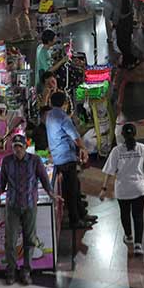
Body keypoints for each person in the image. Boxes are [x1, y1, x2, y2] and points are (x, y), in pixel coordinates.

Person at [0, 134, 61, 285]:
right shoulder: (7, 162)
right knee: (10, 241)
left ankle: (26, 271)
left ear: (25, 147)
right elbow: (2, 181)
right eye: (15, 147)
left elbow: (45, 179)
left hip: (30, 205)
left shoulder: (35, 160)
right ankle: (11, 270)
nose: (17, 150)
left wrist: (52, 194)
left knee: (30, 240)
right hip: (12, 205)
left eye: (20, 146)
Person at [99, 123, 144, 255]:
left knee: (125, 213)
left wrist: (104, 189)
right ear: (135, 134)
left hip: (122, 189)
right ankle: (138, 245)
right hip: (139, 188)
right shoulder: (142, 148)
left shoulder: (117, 151)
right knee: (138, 215)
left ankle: (128, 236)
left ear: (122, 135)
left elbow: (109, 172)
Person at [45, 91, 92, 229]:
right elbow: (75, 136)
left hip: (58, 156)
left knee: (75, 187)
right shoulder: (63, 117)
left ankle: (82, 214)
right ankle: (75, 220)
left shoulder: (49, 115)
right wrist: (83, 149)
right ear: (65, 103)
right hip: (66, 157)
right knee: (72, 191)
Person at [112, 0, 140, 69]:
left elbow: (117, 11)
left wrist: (115, 23)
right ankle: (126, 61)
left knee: (121, 42)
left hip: (122, 22)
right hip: (128, 20)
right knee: (126, 41)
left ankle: (131, 60)